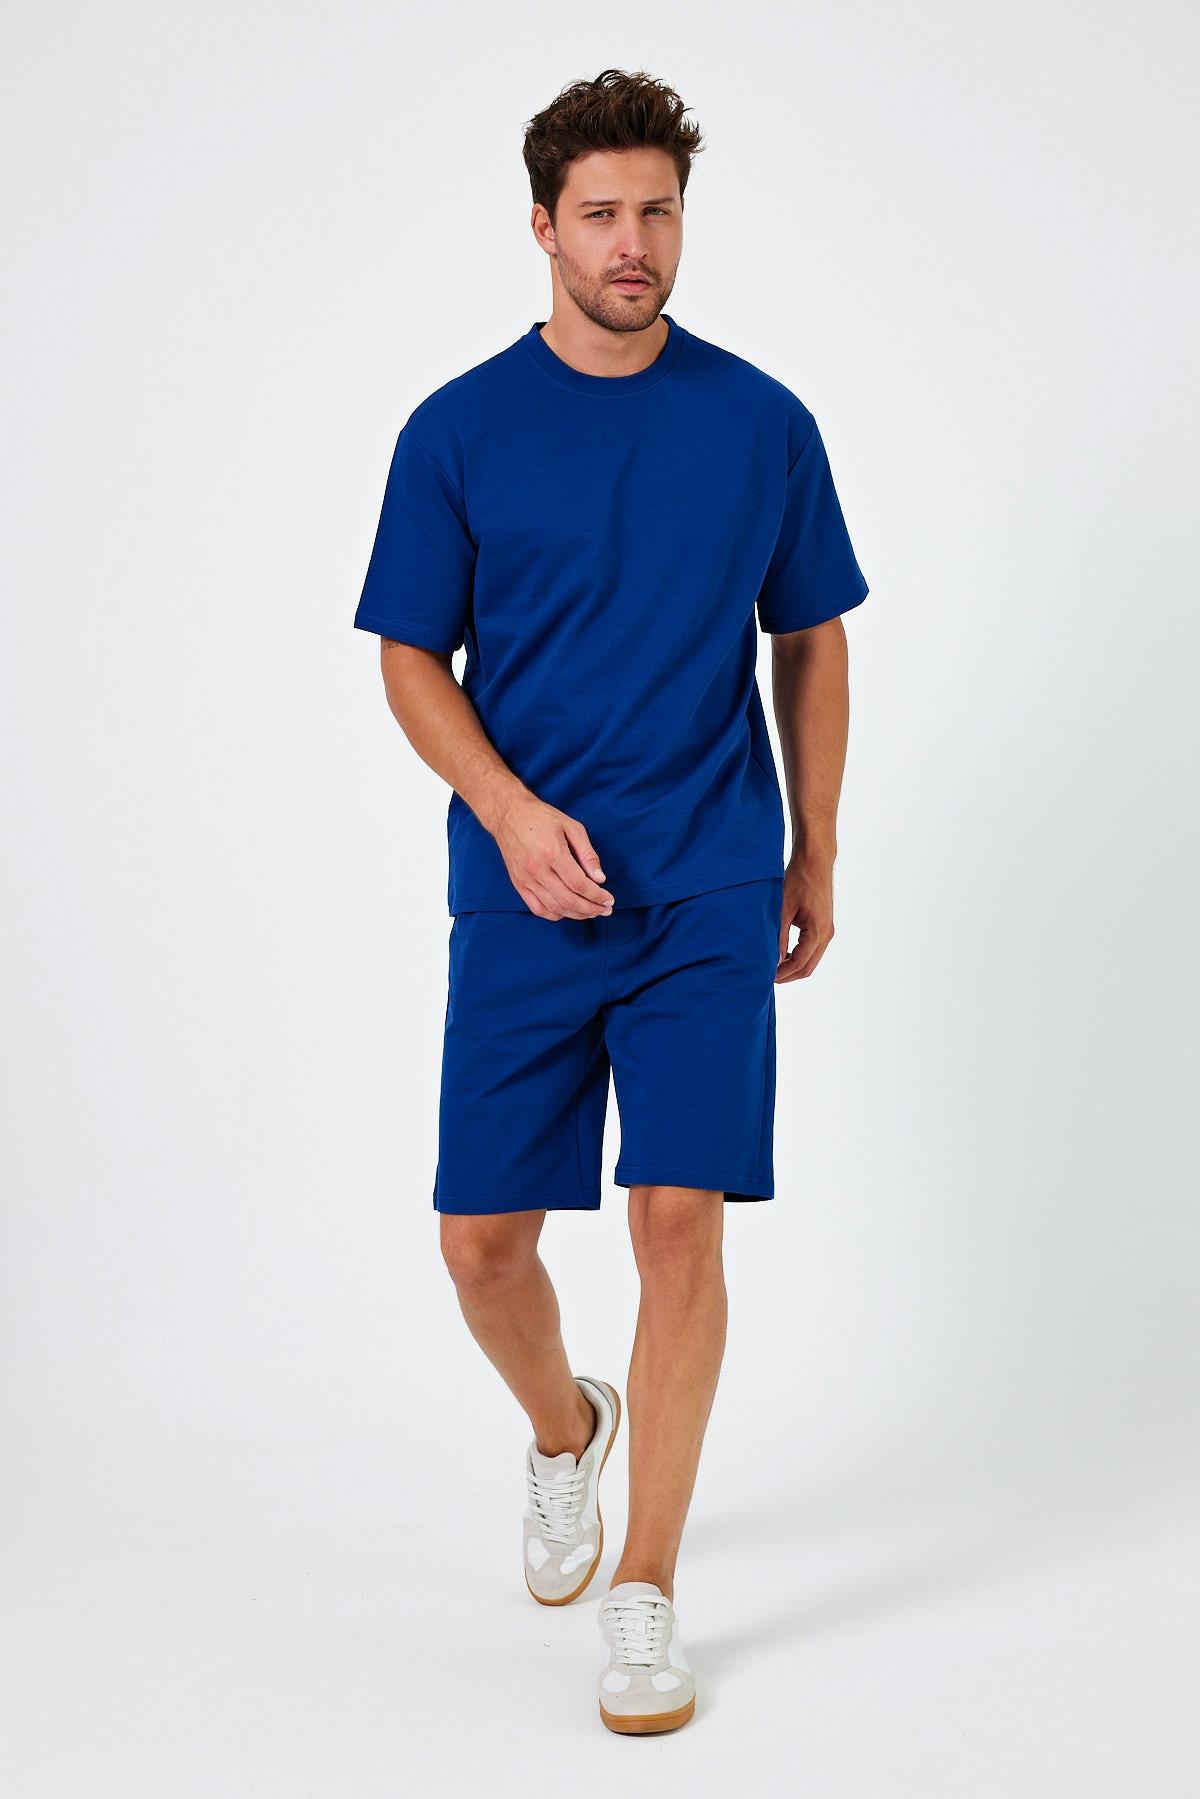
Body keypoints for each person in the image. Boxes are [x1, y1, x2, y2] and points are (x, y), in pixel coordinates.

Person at [352, 67, 869, 1735]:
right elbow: (409, 659)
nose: (632, 243)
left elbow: (812, 639)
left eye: (657, 211)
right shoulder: (457, 431)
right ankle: (566, 1433)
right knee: (481, 1246)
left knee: (675, 1224)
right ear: (543, 228)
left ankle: (647, 1587)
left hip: (708, 878)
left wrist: (815, 848)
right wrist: (507, 815)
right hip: (527, 893)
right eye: (600, 215)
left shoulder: (762, 422)